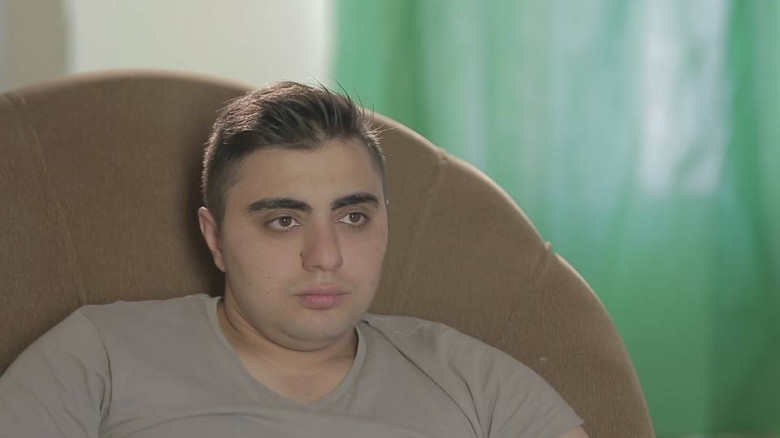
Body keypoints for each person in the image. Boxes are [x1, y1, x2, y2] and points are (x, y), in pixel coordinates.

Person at [0, 81, 589, 437]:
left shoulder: (473, 381)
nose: (325, 256)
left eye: (353, 217)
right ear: (215, 238)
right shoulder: (98, 355)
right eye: (283, 221)